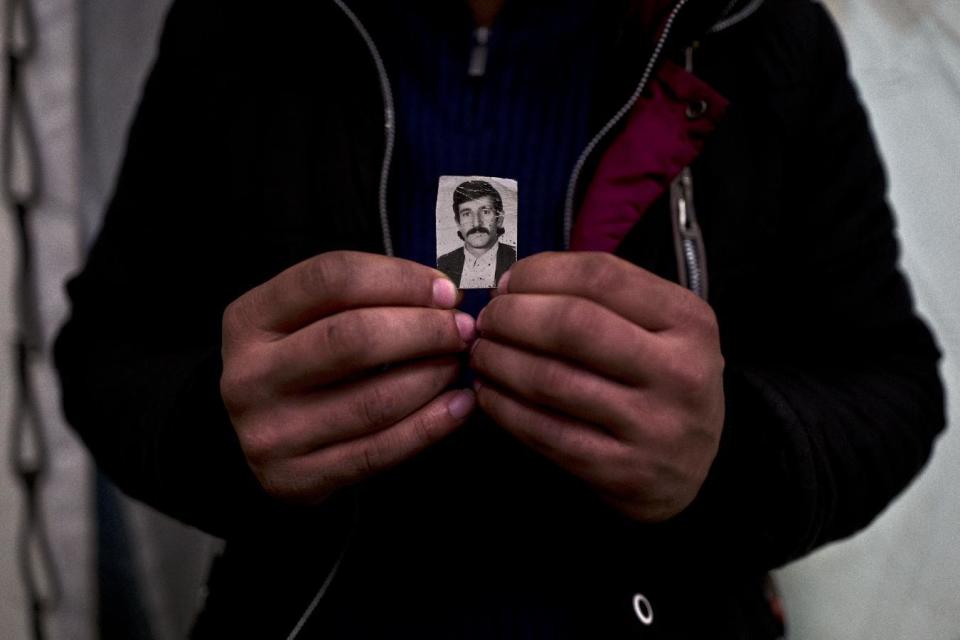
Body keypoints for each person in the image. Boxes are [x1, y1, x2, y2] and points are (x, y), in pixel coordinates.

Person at [54, 0, 945, 638]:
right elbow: (108, 346)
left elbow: (891, 381)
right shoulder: (236, 24)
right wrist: (220, 430)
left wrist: (735, 450)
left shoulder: (753, 27)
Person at [437, 179, 517, 289]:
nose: (476, 223)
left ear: (499, 219)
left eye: (485, 212)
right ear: (458, 222)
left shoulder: (516, 261)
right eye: (467, 214)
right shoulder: (442, 265)